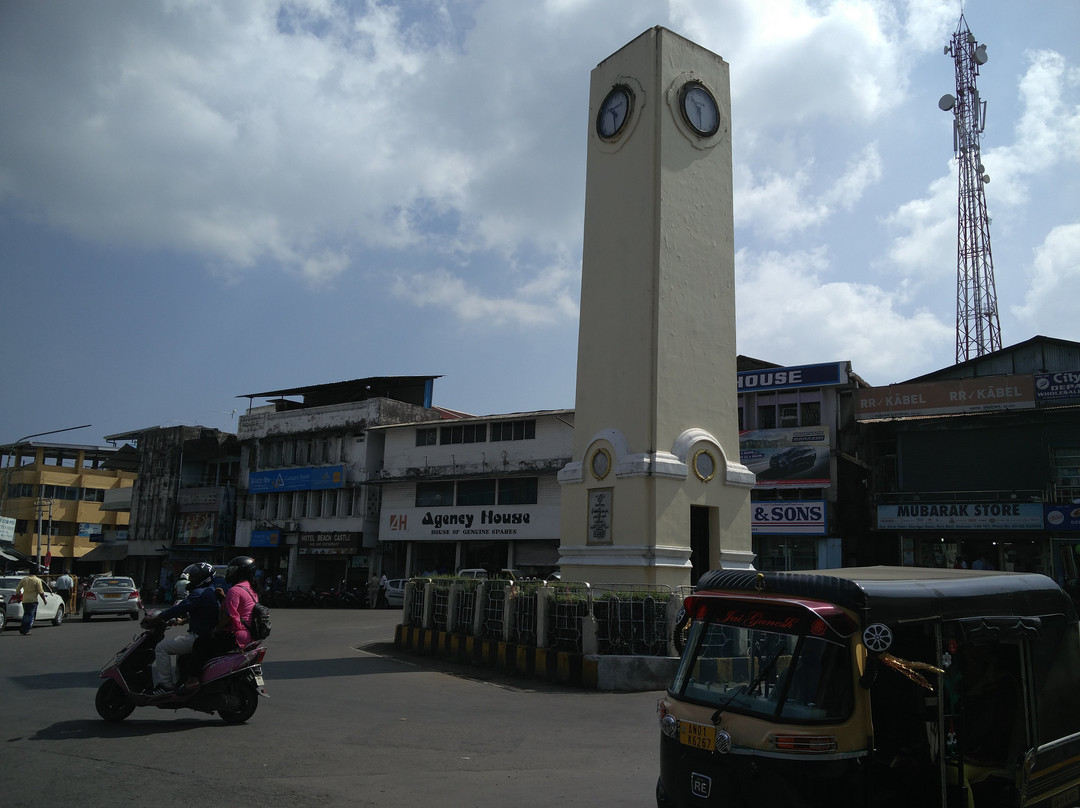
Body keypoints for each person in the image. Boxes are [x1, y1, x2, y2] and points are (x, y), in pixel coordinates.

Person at [141, 562, 219, 694]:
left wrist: (155, 619)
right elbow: (204, 614)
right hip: (205, 635)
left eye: (194, 577)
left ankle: (166, 686)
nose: (191, 580)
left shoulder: (199, 593)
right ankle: (180, 683)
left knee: (161, 648)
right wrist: (183, 621)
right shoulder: (209, 591)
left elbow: (178, 608)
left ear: (203, 578)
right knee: (179, 651)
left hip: (199, 637)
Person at [188, 556, 260, 689]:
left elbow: (228, 616)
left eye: (232, 570)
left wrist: (216, 628)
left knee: (200, 643)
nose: (229, 573)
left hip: (235, 636)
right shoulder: (250, 590)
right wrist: (223, 598)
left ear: (240, 572)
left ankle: (193, 679)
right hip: (248, 636)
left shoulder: (235, 590)